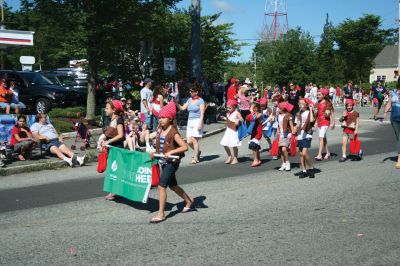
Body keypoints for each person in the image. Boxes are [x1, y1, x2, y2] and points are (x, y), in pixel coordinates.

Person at [150, 101, 193, 223]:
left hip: (172, 163)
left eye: (163, 117)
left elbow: (185, 147)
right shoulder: (160, 129)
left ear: (170, 118)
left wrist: (171, 153)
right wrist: (154, 152)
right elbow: (160, 145)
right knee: (173, 186)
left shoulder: (173, 132)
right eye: (159, 117)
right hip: (163, 161)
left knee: (161, 186)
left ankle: (161, 214)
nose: (161, 120)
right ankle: (189, 201)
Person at [100, 100, 125, 200]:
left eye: (107, 108)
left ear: (114, 110)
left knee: (116, 170)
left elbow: (121, 135)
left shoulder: (119, 120)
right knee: (112, 170)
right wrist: (104, 139)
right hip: (112, 149)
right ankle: (114, 191)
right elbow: (111, 134)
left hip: (118, 149)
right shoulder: (112, 120)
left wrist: (108, 142)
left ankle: (115, 191)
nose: (105, 110)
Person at [177, 84, 205, 164]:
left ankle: (195, 158)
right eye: (190, 91)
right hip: (190, 121)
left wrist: (200, 123)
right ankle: (198, 151)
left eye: (192, 91)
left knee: (194, 140)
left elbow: (202, 113)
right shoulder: (189, 100)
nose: (190, 92)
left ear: (196, 92)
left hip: (197, 120)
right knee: (189, 141)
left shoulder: (201, 101)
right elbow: (182, 108)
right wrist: (176, 103)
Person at [295, 98, 315, 178]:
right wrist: (294, 128)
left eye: (303, 104)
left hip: (307, 135)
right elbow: (296, 124)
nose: (300, 105)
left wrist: (310, 109)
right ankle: (304, 170)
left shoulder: (308, 112)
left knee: (304, 153)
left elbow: (311, 120)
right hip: (299, 135)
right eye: (299, 103)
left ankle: (311, 167)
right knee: (301, 154)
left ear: (306, 105)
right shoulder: (298, 114)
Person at [220, 99, 242, 165]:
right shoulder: (228, 113)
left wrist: (238, 120)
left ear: (234, 107)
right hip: (228, 130)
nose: (228, 109)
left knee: (234, 145)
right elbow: (229, 120)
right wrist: (224, 118)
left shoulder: (236, 112)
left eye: (230, 108)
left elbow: (242, 119)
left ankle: (235, 158)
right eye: (227, 108)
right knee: (225, 144)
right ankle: (229, 156)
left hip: (234, 131)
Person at [315, 88, 335, 161]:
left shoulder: (328, 103)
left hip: (326, 122)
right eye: (317, 94)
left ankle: (319, 154)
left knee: (320, 137)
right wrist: (315, 123)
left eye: (319, 95)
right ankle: (328, 152)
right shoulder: (317, 103)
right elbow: (316, 114)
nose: (318, 96)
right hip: (319, 122)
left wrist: (333, 123)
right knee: (324, 138)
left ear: (323, 95)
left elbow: (332, 113)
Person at [383, 85, 400, 169]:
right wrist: (385, 112)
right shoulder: (393, 92)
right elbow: (389, 102)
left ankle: (399, 160)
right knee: (398, 138)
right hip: (394, 118)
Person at [277, 102, 295, 171]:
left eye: (279, 108)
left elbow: (291, 125)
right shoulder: (278, 115)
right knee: (281, 150)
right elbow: (278, 124)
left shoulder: (289, 116)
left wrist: (293, 133)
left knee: (284, 149)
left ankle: (287, 162)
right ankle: (283, 163)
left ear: (283, 108)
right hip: (280, 134)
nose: (278, 109)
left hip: (287, 134)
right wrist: (278, 130)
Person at [246, 102, 263, 167]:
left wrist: (251, 112)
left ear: (255, 108)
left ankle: (255, 160)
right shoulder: (251, 114)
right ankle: (258, 159)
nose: (250, 108)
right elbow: (247, 119)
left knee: (253, 145)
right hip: (253, 132)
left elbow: (253, 118)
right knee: (255, 147)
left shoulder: (260, 114)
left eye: (251, 107)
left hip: (258, 132)